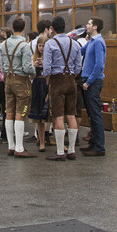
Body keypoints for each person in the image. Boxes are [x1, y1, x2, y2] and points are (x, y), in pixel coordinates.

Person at [42, 16, 82, 161]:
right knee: (71, 114)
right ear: (65, 27)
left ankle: (60, 152)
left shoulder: (50, 44)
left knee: (58, 115)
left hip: (57, 81)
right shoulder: (75, 43)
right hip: (71, 80)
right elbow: (78, 67)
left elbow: (46, 68)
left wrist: (47, 75)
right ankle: (71, 150)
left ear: (52, 29)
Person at [0, 17, 36, 158]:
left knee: (9, 112)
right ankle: (19, 148)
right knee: (21, 113)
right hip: (21, 81)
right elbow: (27, 68)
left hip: (8, 79)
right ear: (24, 28)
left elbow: (3, 65)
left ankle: (11, 146)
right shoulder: (24, 46)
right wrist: (35, 68)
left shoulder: (3, 44)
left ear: (12, 28)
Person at [80, 17, 107, 157]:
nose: (87, 25)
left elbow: (99, 66)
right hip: (88, 79)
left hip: (93, 82)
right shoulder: (91, 41)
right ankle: (93, 143)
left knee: (95, 114)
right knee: (91, 114)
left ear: (95, 27)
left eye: (89, 24)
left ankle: (99, 147)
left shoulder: (98, 42)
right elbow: (80, 51)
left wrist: (88, 82)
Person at [28, 33, 49, 151]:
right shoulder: (33, 58)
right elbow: (30, 76)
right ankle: (41, 141)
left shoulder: (50, 57)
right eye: (40, 46)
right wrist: (34, 66)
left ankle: (49, 138)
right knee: (39, 116)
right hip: (36, 86)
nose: (41, 48)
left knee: (51, 116)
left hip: (46, 86)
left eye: (43, 45)